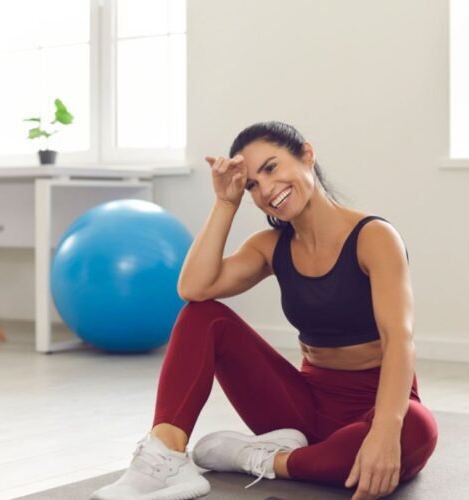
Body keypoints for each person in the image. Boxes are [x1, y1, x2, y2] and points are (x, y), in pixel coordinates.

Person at [90, 121, 438, 500]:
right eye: (252, 184)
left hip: (374, 404)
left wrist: (386, 431)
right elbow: (193, 288)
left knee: (416, 428)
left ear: (306, 154)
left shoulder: (374, 237)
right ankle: (166, 456)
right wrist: (226, 203)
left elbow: (399, 340)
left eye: (271, 168)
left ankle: (257, 459)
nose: (266, 189)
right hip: (302, 411)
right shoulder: (270, 247)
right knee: (202, 316)